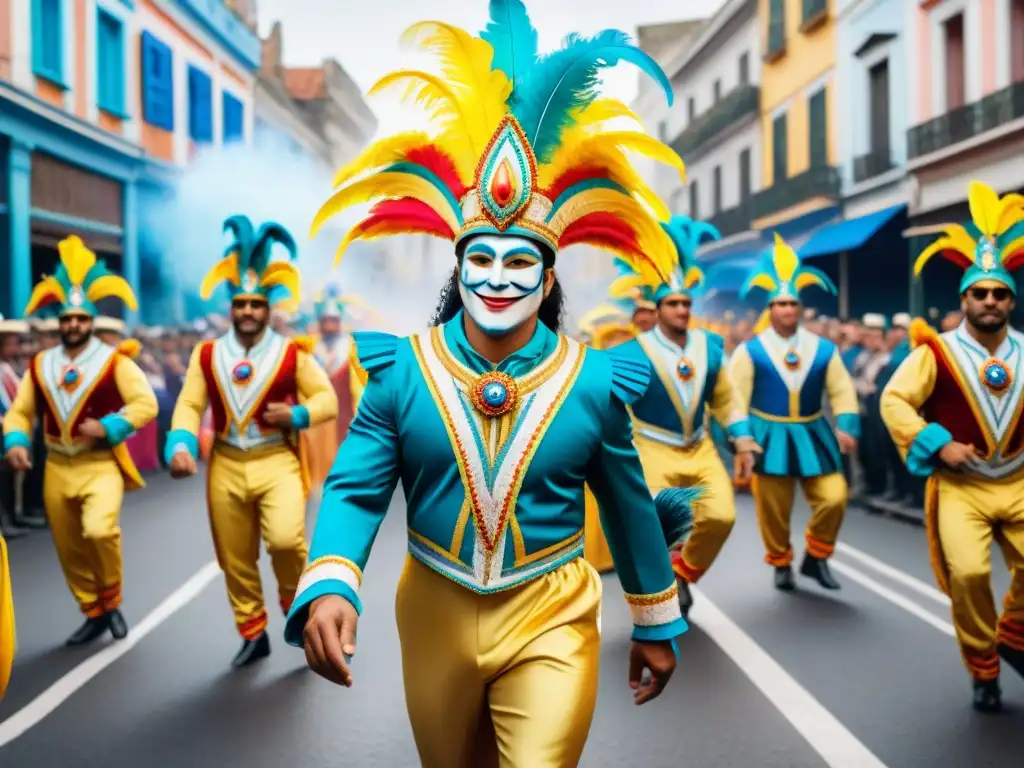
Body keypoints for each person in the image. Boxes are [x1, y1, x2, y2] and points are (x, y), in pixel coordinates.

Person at [286, 5, 694, 765]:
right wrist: (331, 580)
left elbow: (629, 500)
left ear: (546, 282)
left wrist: (656, 620)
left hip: (553, 613)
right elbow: (353, 487)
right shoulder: (402, 370)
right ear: (459, 267)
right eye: (481, 259)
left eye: (518, 264)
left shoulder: (594, 378)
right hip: (433, 612)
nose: (497, 278)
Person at [165, 215, 338, 668]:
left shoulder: (292, 352)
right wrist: (180, 445)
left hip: (275, 458)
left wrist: (298, 414)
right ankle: (252, 631)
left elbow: (326, 400)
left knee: (285, 541)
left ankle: (295, 612)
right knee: (234, 554)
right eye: (239, 303)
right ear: (230, 307)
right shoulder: (207, 354)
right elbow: (187, 405)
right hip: (225, 461)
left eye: (255, 305)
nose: (246, 312)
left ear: (268, 308)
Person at [879, 181, 1024, 713]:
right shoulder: (933, 352)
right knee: (968, 575)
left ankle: (1012, 632)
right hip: (962, 488)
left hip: (1020, 480)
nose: (990, 301)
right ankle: (984, 667)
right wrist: (938, 444)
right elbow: (894, 402)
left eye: (1000, 293)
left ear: (1011, 299)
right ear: (964, 298)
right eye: (980, 293)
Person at [3, 236, 158, 644]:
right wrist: (16, 441)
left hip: (98, 464)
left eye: (80, 318)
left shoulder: (114, 361)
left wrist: (110, 427)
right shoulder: (41, 364)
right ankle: (93, 609)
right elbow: (21, 409)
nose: (73, 324)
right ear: (61, 322)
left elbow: (145, 404)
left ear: (91, 320)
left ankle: (112, 599)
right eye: (67, 318)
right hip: (57, 464)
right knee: (68, 546)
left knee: (99, 531)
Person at [615, 216, 758, 616]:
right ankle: (659, 595)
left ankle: (684, 573)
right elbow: (611, 401)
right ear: (658, 308)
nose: (681, 310)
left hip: (699, 446)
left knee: (722, 516)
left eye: (686, 304)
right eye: (672, 304)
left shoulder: (711, 348)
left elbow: (726, 398)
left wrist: (742, 439)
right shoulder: (631, 352)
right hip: (651, 445)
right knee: (662, 522)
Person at [728, 234, 860, 591]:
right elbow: (733, 397)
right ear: (770, 309)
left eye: (792, 303)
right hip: (767, 435)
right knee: (773, 508)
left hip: (813, 432)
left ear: (800, 308)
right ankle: (781, 561)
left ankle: (816, 556)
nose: (787, 309)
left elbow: (842, 389)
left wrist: (847, 425)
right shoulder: (750, 351)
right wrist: (741, 437)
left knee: (834, 496)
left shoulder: (823, 348)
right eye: (780, 303)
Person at [303, 285, 362, 492]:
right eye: (326, 321)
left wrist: (360, 411)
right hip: (316, 417)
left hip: (343, 415)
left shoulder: (350, 347)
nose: (329, 326)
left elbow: (359, 384)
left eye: (333, 321)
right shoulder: (310, 346)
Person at [0, 314, 31, 538]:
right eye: (8, 342)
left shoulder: (7, 367)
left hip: (10, 429)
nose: (14, 347)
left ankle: (12, 516)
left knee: (10, 477)